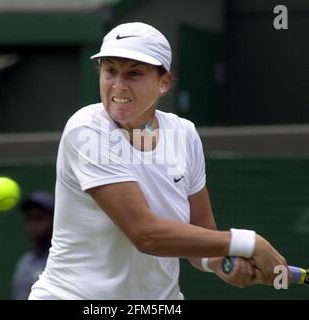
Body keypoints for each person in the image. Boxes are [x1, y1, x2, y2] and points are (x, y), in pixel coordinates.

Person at [29, 22, 287, 300]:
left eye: (134, 74)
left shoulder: (184, 134)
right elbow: (145, 235)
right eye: (110, 71)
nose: (118, 85)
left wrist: (221, 263)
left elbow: (200, 235)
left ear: (163, 82)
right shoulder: (87, 130)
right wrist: (247, 242)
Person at [12, 191, 54, 300]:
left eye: (40, 218)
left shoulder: (65, 260)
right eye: (30, 219)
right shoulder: (24, 262)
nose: (34, 225)